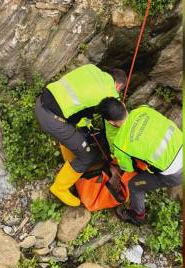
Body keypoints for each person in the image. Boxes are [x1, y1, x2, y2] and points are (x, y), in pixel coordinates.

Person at [35, 64, 128, 206]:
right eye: (120, 91)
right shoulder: (110, 94)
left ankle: (71, 163)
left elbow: (83, 103)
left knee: (78, 137)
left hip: (42, 102)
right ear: (118, 86)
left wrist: (87, 126)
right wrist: (115, 156)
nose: (118, 94)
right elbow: (111, 130)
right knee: (87, 156)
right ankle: (59, 188)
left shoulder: (92, 69)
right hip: (54, 120)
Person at [109, 105, 183, 225]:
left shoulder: (120, 143)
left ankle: (138, 217)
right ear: (123, 106)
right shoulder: (143, 109)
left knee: (134, 185)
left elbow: (128, 168)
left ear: (110, 122)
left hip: (175, 174)